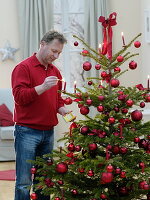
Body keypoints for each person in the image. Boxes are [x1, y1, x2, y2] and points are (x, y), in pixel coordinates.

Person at [11, 30, 69, 200]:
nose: (56, 56)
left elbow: (57, 100)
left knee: (45, 180)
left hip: (48, 131)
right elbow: (20, 98)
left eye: (59, 52)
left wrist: (63, 110)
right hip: (26, 131)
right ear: (42, 44)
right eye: (54, 51)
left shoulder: (55, 72)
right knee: (24, 181)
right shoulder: (23, 67)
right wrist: (42, 87)